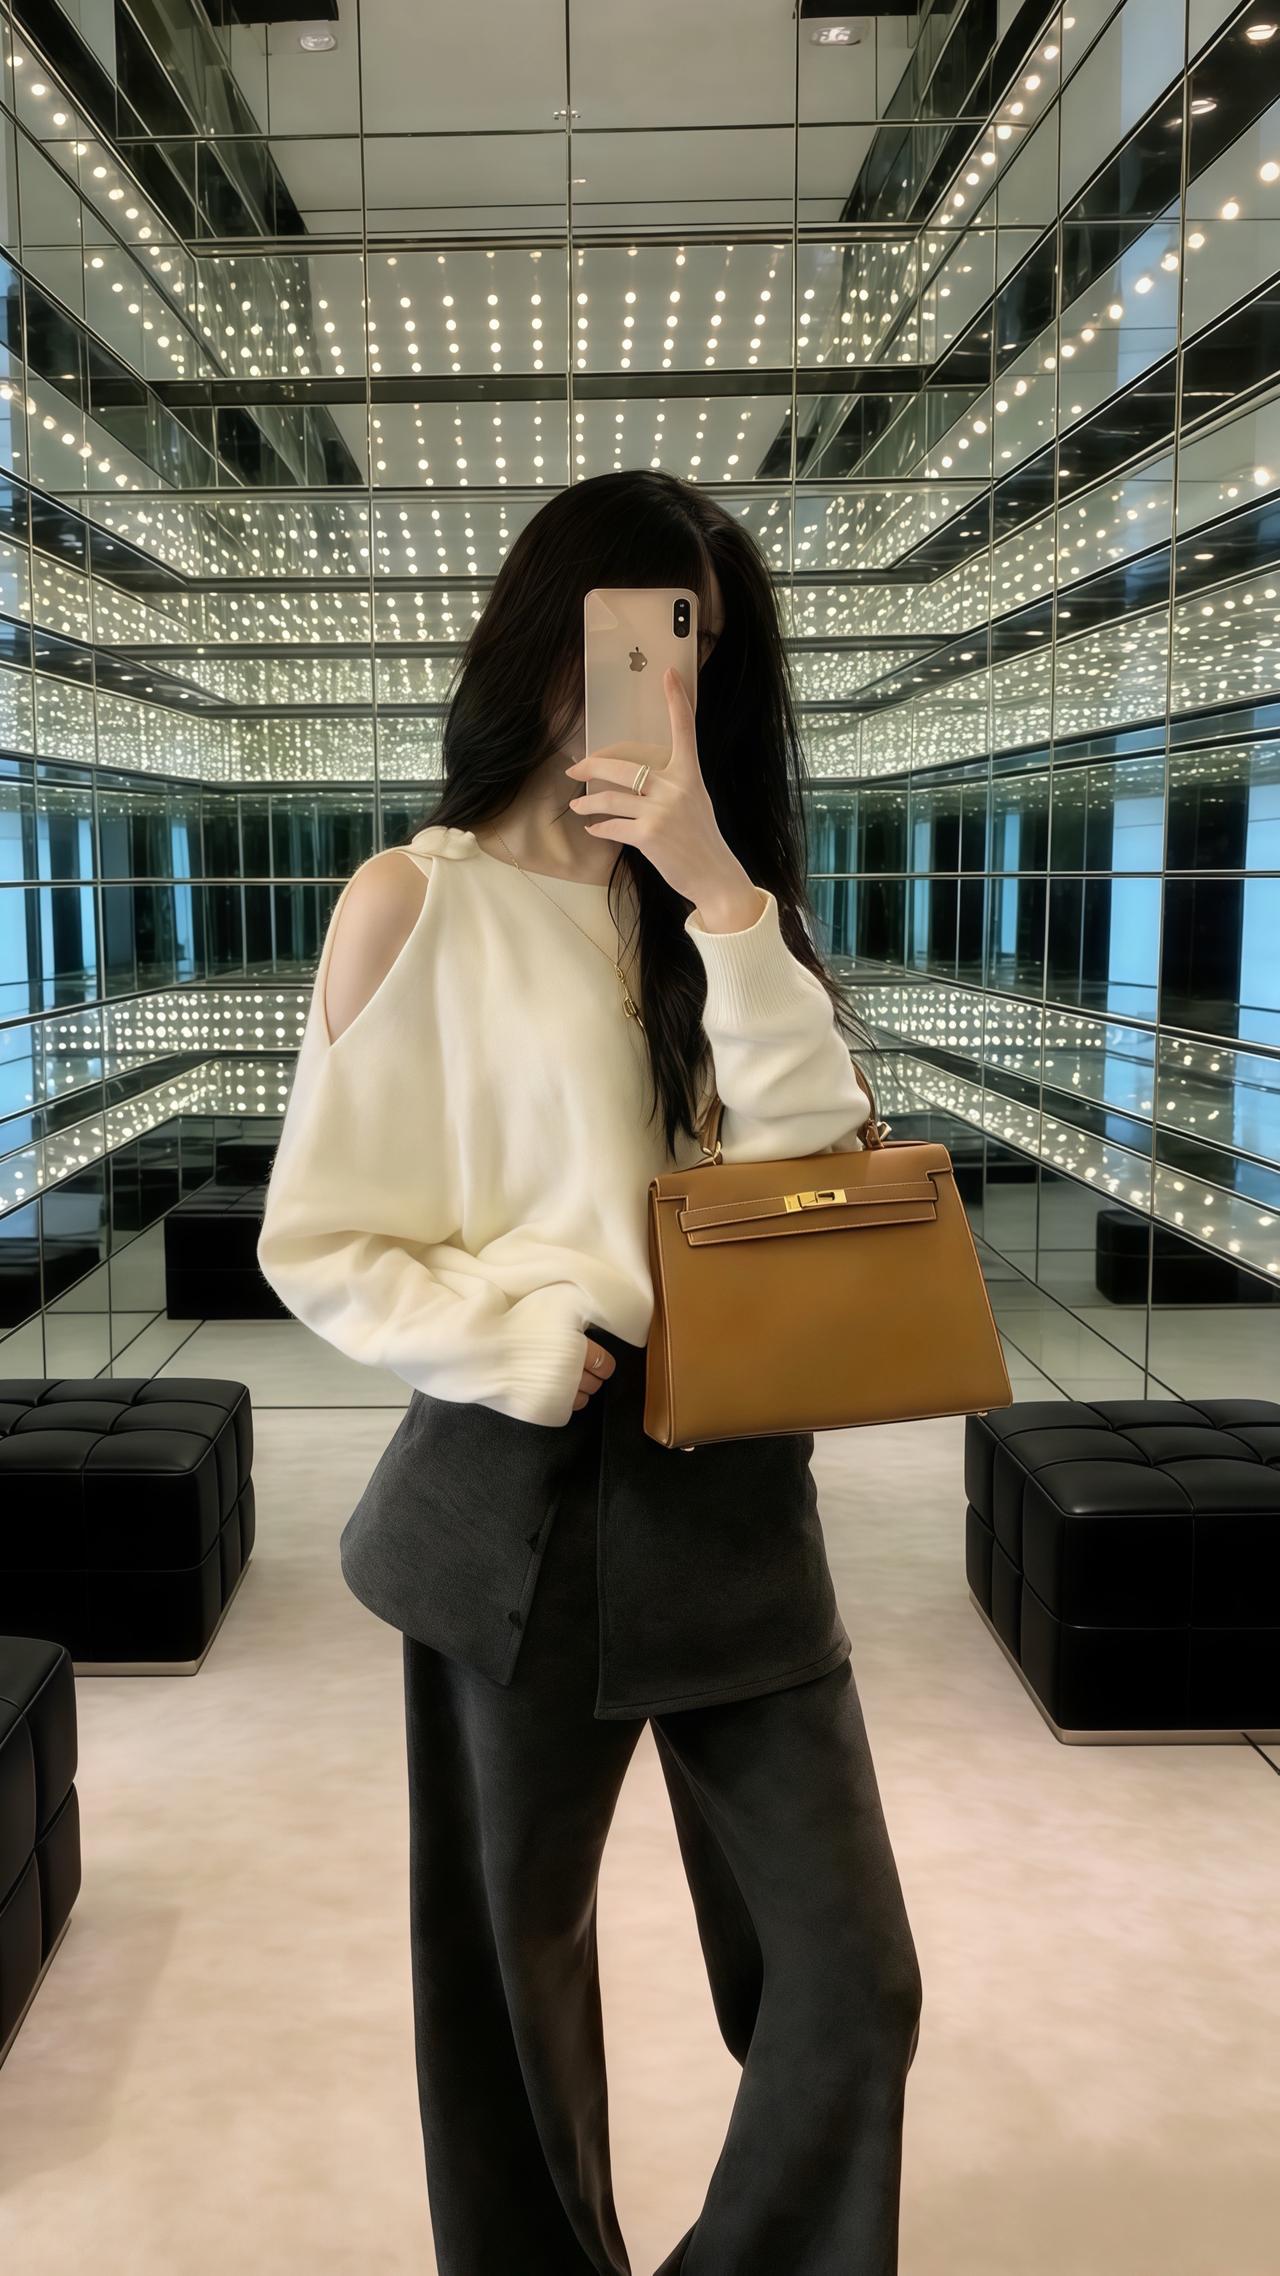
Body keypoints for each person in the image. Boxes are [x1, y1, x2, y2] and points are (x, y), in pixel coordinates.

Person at [257, 467, 923, 2276]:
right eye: (637, 631)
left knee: (852, 1978)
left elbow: (814, 1158)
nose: (661, 679)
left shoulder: (712, 904)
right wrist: (527, 1341)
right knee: (512, 1991)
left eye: (699, 647)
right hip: (519, 1493)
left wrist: (719, 890)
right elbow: (322, 1237)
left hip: (736, 1493)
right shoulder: (413, 902)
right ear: (543, 633)